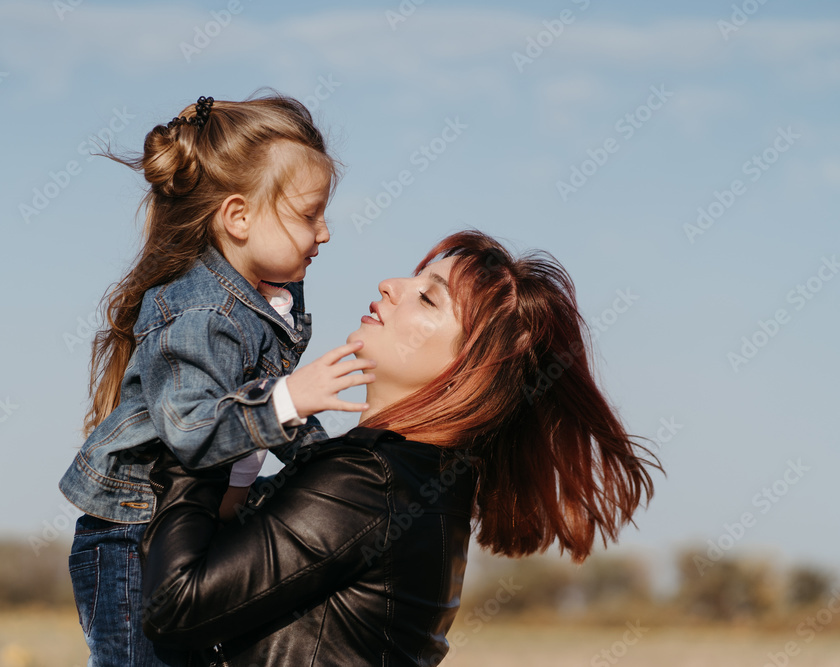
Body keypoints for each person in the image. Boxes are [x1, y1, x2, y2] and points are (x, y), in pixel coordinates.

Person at [139, 230, 661, 666]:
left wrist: (199, 432)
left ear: (470, 370)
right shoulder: (419, 482)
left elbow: (175, 606)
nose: (390, 285)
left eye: (428, 297)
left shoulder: (372, 483)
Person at [58, 93, 375, 666]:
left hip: (195, 525)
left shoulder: (261, 304)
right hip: (132, 536)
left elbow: (268, 409)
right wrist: (291, 398)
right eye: (309, 215)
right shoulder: (201, 313)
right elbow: (194, 433)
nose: (324, 233)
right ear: (238, 217)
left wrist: (337, 466)